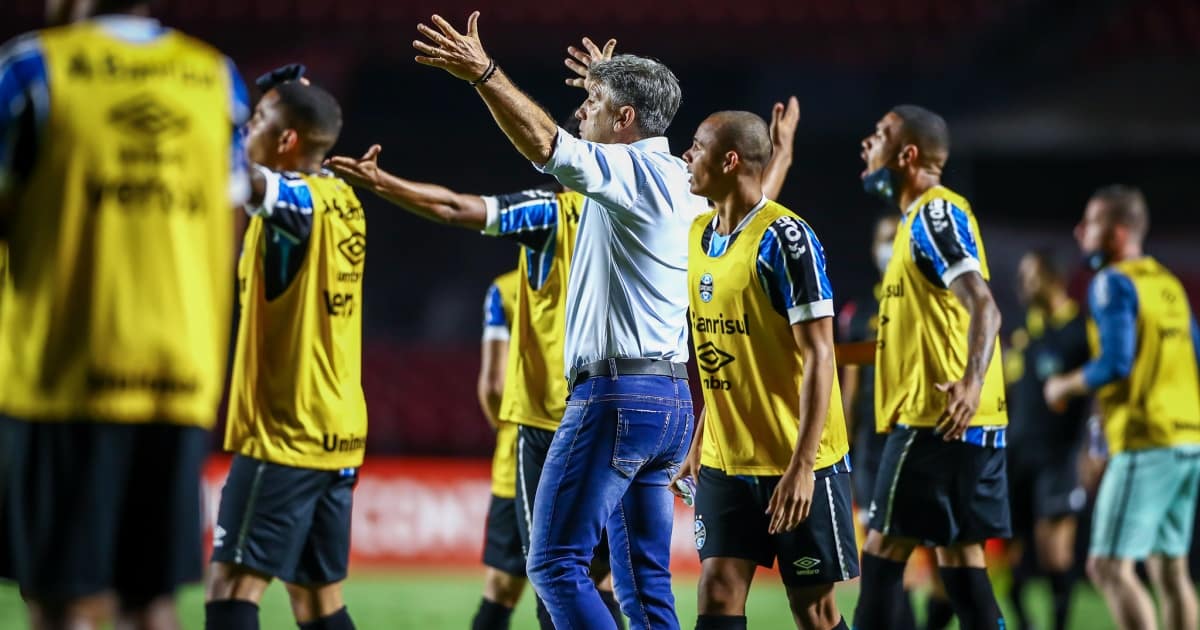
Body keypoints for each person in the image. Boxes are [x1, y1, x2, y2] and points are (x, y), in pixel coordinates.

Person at [411, 12, 709, 629]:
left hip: (615, 395)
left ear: (626, 120)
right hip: (672, 399)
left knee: (552, 565)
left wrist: (485, 74)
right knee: (645, 586)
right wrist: (605, 84)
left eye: (595, 104)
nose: (581, 111)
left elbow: (548, 146)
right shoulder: (685, 179)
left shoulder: (630, 173)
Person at [0, 1, 248, 628]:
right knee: (150, 601)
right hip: (179, 372)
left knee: (63, 600)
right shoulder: (215, 78)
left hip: (64, 372)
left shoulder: (34, 69)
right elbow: (232, 223)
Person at [667, 110, 856, 630]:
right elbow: (721, 355)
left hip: (797, 461)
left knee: (813, 610)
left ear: (729, 160)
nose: (687, 154)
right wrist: (702, 438)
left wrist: (802, 469)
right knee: (718, 591)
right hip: (726, 461)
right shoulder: (699, 232)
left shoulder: (788, 242)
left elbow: (821, 355)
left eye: (698, 145)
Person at [204, 80, 367, 630]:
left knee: (231, 588)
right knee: (317, 598)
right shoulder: (344, 199)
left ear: (287, 138)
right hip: (339, 433)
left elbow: (252, 185)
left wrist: (211, 123)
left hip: (287, 434)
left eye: (258, 121)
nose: (248, 128)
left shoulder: (295, 203)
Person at [852, 105, 1010, 630]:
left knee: (878, 558)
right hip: (967, 423)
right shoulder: (913, 223)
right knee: (961, 565)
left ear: (908, 153)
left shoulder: (933, 214)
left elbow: (984, 304)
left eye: (880, 135)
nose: (867, 144)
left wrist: (968, 383)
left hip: (935, 419)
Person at [1044, 185, 1200, 630]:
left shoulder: (1113, 281)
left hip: (1146, 440)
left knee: (1108, 567)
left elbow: (1114, 363)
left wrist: (1062, 385)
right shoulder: (1168, 284)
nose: (1079, 232)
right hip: (1188, 440)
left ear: (1115, 232)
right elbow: (1196, 356)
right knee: (1170, 571)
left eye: (1089, 223)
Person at [1003, 249, 1090, 630]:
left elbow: (1098, 396)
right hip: (1016, 456)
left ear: (1053, 278)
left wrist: (1092, 450)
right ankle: (1023, 623)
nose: (1023, 283)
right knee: (1011, 562)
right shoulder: (1024, 328)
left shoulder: (1080, 330)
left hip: (1059, 456)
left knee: (1055, 555)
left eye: (1031, 275)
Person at [473, 269, 530, 630]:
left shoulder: (505, 290)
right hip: (584, 452)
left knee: (502, 585)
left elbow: (493, 385)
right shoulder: (595, 278)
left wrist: (508, 428)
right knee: (594, 582)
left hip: (520, 453)